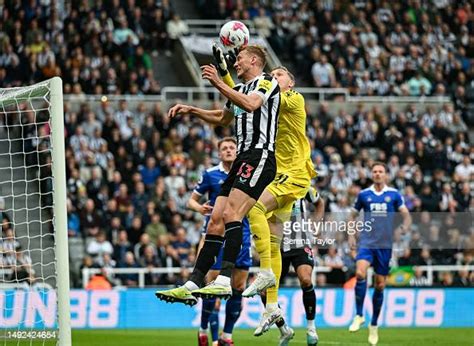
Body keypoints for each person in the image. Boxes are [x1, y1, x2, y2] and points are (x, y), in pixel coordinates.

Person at [156, 45, 280, 306]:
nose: (235, 64)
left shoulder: (266, 82)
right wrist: (193, 110)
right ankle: (193, 282)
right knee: (215, 222)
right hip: (242, 159)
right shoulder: (239, 89)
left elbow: (251, 104)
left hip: (259, 156)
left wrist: (217, 82)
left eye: (240, 59)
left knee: (231, 214)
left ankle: (224, 279)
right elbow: (224, 117)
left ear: (254, 60)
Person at [213, 49, 317, 336]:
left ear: (291, 83)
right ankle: (272, 307)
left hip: (294, 173)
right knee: (271, 239)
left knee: (254, 208)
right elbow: (240, 97)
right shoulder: (269, 93)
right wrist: (226, 71)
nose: (274, 77)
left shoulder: (294, 99)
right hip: (277, 174)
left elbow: (252, 97)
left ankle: (267, 275)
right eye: (274, 74)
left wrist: (225, 79)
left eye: (280, 74)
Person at [189, 137, 251, 346]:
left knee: (239, 285)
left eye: (232, 147)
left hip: (242, 232)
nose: (228, 151)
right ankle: (204, 328)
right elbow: (191, 200)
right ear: (219, 153)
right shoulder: (211, 174)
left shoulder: (247, 173)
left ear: (237, 151)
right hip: (217, 233)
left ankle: (227, 336)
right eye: (224, 148)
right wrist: (200, 208)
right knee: (213, 284)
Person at [348, 162, 411, 346]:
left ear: (386, 175)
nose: (377, 174)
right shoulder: (364, 195)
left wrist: (404, 228)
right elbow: (351, 216)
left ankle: (373, 325)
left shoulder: (394, 195)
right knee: (360, 273)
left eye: (380, 171)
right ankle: (359, 315)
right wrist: (351, 237)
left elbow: (406, 216)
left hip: (385, 245)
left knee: (380, 285)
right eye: (374, 171)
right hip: (367, 242)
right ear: (371, 174)